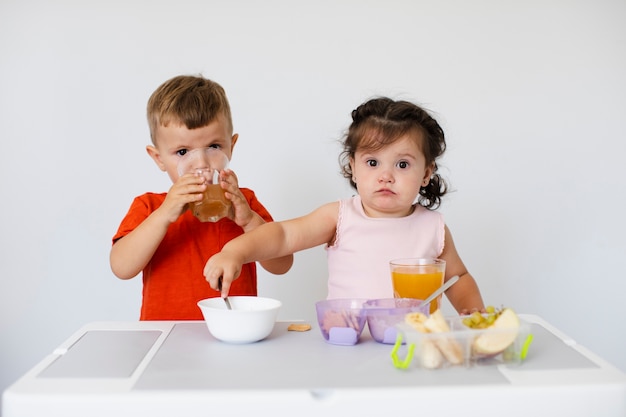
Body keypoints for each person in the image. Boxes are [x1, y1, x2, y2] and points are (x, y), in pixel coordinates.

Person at [204, 96, 484, 314]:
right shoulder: (340, 217)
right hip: (349, 341)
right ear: (353, 166)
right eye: (372, 162)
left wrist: (472, 312)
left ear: (425, 173)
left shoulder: (432, 227)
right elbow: (283, 235)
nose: (386, 176)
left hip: (416, 344)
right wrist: (235, 252)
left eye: (402, 164)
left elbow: (457, 277)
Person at [110, 75, 293, 320]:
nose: (201, 163)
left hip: (234, 333)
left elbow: (282, 264)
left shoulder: (244, 202)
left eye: (214, 147)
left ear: (231, 146)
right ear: (159, 158)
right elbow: (121, 267)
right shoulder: (150, 206)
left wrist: (249, 221)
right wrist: (165, 214)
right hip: (167, 337)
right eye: (182, 152)